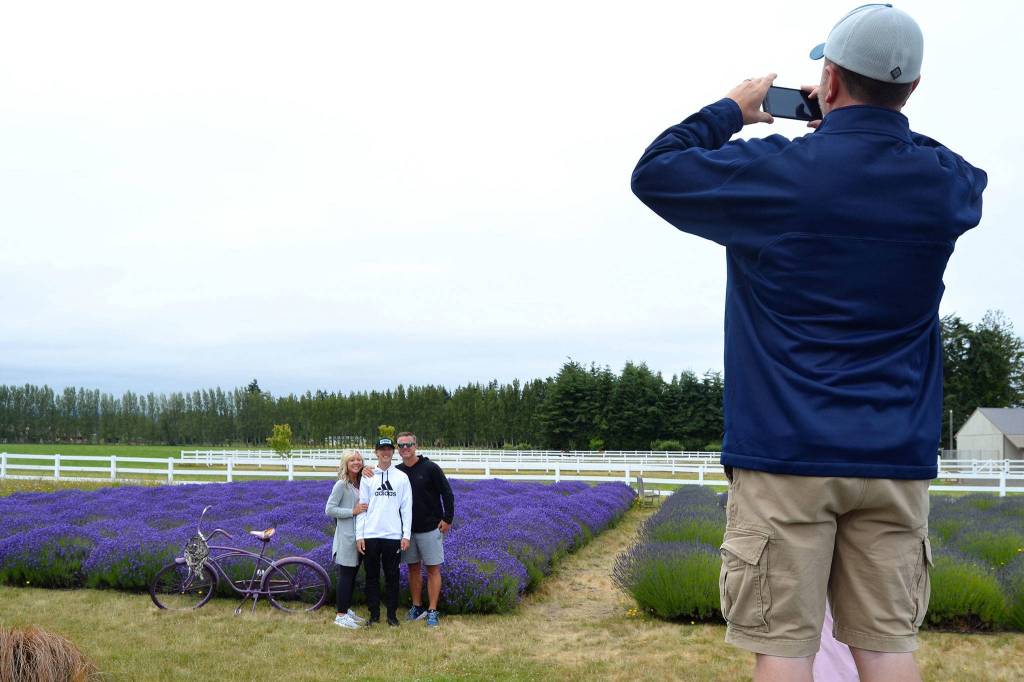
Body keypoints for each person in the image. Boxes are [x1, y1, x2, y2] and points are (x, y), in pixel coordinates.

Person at [630, 5, 986, 682]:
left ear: (827, 79)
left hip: (785, 454)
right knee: (886, 646)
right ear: (911, 87)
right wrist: (871, 125)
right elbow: (961, 172)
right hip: (894, 457)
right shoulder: (944, 187)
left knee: (784, 648)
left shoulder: (778, 172)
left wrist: (732, 110)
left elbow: (656, 172)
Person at [394, 432, 454, 629]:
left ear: (416, 445)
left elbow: (447, 492)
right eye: (401, 445)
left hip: (430, 528)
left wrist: (447, 518)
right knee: (412, 568)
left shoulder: (430, 468)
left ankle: (433, 610)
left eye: (409, 444)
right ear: (397, 448)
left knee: (433, 569)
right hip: (407, 531)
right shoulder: (397, 472)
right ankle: (417, 606)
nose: (405, 448)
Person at [355, 437, 412, 627]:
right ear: (376, 452)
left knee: (392, 577)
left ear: (393, 452)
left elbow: (406, 508)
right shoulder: (367, 476)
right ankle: (374, 615)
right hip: (371, 535)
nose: (385, 453)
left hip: (393, 536)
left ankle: (392, 616)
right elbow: (362, 508)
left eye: (389, 449)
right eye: (382, 449)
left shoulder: (401, 477)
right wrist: (359, 535)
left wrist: (406, 535)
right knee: (371, 577)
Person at [324, 449, 369, 629]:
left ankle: (346, 608)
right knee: (346, 576)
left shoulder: (360, 482)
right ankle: (341, 615)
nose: (356, 463)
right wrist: (353, 511)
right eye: (352, 460)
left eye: (359, 460)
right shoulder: (341, 485)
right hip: (346, 537)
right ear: (346, 463)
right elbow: (330, 509)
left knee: (352, 575)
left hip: (360, 536)